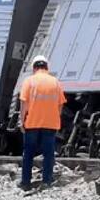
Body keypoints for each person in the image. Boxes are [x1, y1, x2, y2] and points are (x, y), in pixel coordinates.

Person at [18, 55, 66, 190]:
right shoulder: (55, 82)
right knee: (48, 154)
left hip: (32, 123)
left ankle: (25, 182)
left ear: (34, 68)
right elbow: (60, 104)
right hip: (50, 124)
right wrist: (56, 117)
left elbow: (23, 103)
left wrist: (22, 121)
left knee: (28, 153)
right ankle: (46, 182)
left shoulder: (29, 81)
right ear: (47, 67)